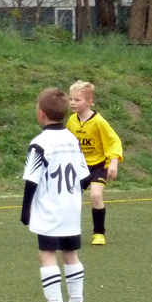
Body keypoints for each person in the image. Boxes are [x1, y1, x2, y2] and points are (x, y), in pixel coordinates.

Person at [21, 87, 91, 302]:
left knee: (47, 253)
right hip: (71, 209)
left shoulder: (39, 144)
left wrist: (26, 210)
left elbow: (32, 181)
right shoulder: (72, 139)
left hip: (49, 209)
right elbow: (84, 177)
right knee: (71, 253)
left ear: (41, 113)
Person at [67, 80, 123, 246]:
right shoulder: (72, 121)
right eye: (71, 99)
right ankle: (69, 232)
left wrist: (113, 162)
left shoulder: (99, 122)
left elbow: (113, 141)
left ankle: (99, 233)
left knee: (96, 195)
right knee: (70, 198)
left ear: (89, 102)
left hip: (98, 166)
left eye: (77, 100)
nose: (72, 103)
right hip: (79, 166)